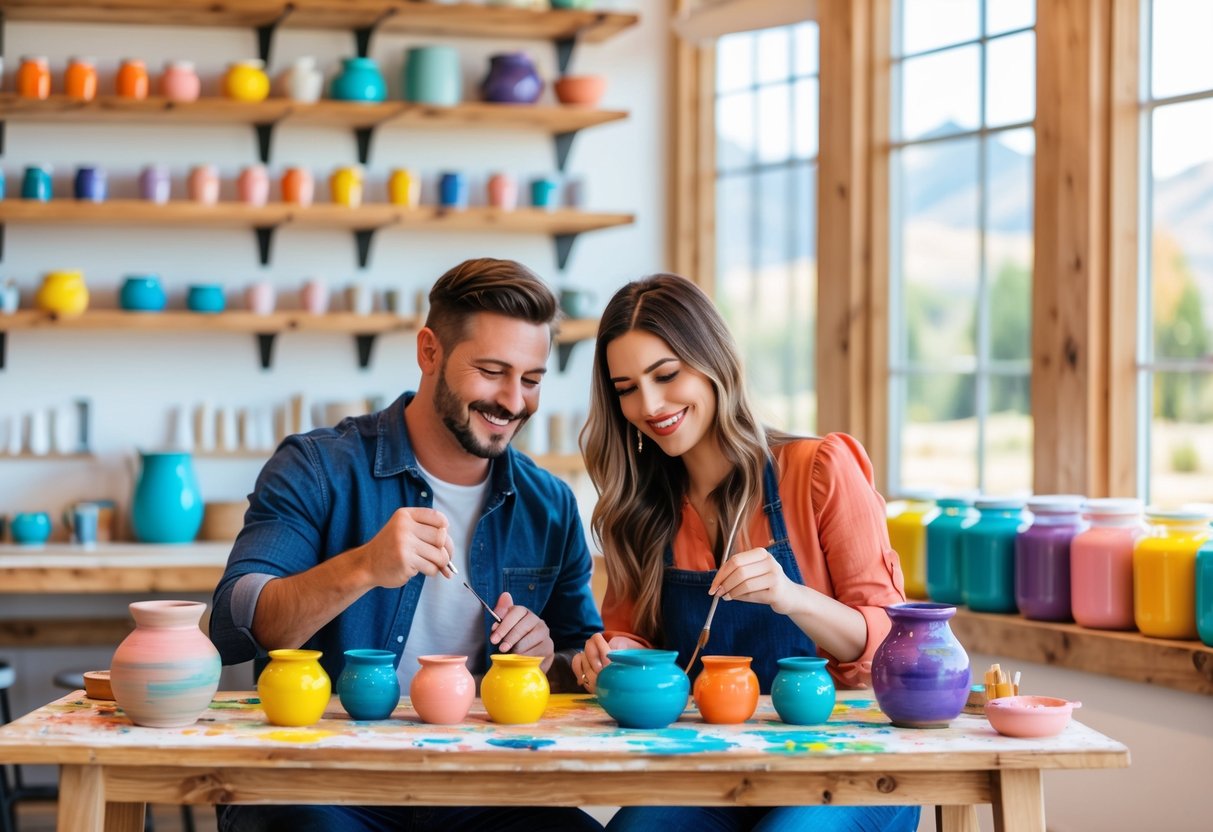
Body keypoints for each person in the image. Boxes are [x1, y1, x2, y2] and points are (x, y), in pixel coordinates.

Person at [210, 258, 604, 832]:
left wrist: (550, 659)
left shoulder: (550, 504)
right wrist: (364, 566)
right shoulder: (318, 466)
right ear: (429, 352)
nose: (514, 401)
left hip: (483, 790)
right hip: (321, 780)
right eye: (492, 371)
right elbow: (235, 622)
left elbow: (579, 658)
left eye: (531, 379)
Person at [571, 274, 920, 832]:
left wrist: (792, 598)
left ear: (713, 365)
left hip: (845, 765)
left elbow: (891, 650)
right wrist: (610, 654)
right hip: (708, 771)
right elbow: (634, 636)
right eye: (627, 388)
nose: (650, 404)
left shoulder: (818, 471)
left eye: (666, 375)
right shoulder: (639, 511)